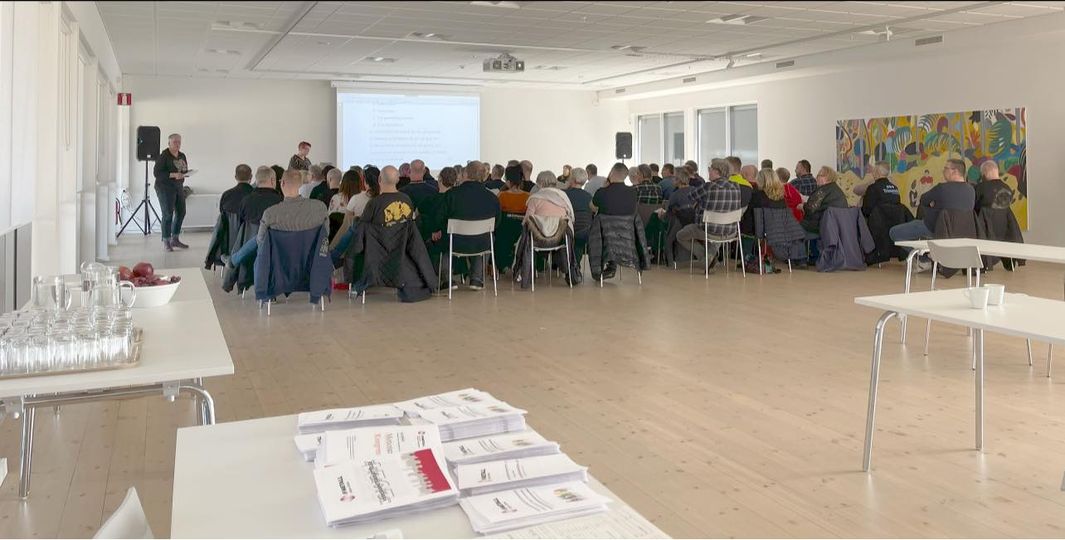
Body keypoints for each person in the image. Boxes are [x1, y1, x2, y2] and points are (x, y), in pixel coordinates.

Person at [230, 169, 328, 267]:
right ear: (300, 184)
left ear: (282, 183)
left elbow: (260, 243)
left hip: (279, 265)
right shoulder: (320, 208)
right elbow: (325, 235)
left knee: (260, 237)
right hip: (312, 264)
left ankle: (233, 261)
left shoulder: (270, 213)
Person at [889, 158, 975, 253]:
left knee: (894, 232)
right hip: (960, 233)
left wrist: (933, 205)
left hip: (934, 228)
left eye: (946, 168)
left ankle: (922, 256)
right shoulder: (971, 190)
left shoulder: (942, 188)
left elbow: (923, 200)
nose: (943, 171)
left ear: (955, 171)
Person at [438, 161, 500, 290]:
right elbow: (497, 222)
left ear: (465, 174)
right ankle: (477, 279)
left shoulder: (452, 194)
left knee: (443, 235)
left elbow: (440, 218)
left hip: (455, 242)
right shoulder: (492, 198)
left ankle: (447, 279)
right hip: (481, 243)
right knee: (488, 237)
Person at [675, 159, 741, 264]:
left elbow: (690, 196)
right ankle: (710, 257)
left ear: (717, 171)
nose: (708, 171)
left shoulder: (708, 186)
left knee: (681, 235)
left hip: (709, 230)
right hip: (731, 231)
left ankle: (706, 258)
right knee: (716, 231)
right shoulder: (736, 186)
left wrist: (700, 202)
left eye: (710, 169)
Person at [153, 133, 189, 251]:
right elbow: (157, 173)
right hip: (164, 188)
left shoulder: (182, 155)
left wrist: (186, 174)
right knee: (168, 214)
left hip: (178, 187)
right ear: (169, 143)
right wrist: (173, 175)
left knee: (181, 212)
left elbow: (184, 170)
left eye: (179, 142)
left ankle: (175, 239)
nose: (177, 144)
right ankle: (166, 241)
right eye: (175, 142)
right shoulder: (164, 156)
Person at [800, 166, 848, 234]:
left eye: (818, 175)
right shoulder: (837, 190)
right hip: (836, 227)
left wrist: (802, 206)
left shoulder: (822, 190)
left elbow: (810, 209)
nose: (816, 178)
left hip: (820, 227)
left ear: (826, 177)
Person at [563, 167, 594, 237]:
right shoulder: (589, 196)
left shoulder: (563, 194)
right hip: (587, 233)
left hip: (569, 232)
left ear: (572, 179)